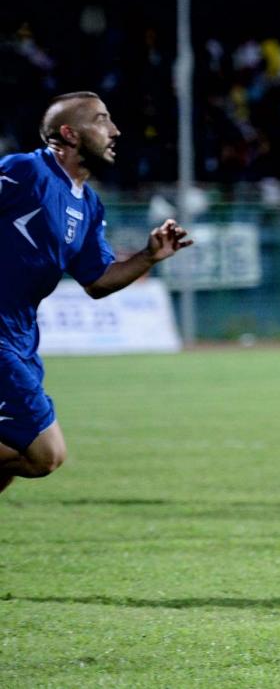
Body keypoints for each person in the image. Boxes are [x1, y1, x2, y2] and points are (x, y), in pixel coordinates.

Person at [1, 92, 193, 496]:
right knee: (44, 454)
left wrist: (149, 256)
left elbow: (98, 281)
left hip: (20, 336)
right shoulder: (26, 171)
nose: (115, 130)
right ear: (70, 134)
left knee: (11, 455)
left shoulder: (88, 205)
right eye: (102, 119)